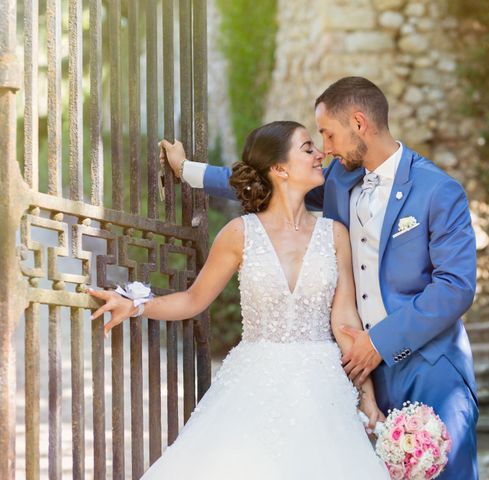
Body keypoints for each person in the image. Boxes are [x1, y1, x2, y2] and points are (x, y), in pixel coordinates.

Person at [162, 76, 479, 479]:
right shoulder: (340, 181)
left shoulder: (438, 191)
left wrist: (378, 342)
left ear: (359, 123)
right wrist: (188, 170)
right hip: (364, 372)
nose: (325, 149)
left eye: (328, 134)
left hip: (430, 367)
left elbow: (455, 288)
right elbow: (268, 178)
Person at [88, 121, 390, 479]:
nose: (320, 154)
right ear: (279, 168)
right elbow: (192, 300)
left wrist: (367, 398)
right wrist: (137, 305)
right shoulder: (239, 233)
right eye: (308, 148)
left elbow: (347, 325)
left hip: (324, 389)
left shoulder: (335, 234)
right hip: (254, 383)